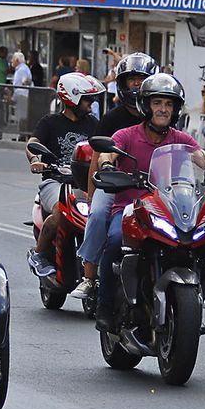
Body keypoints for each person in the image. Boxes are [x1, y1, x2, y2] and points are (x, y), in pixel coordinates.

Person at [93, 73, 205, 329]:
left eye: (168, 104)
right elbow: (108, 152)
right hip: (131, 208)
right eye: (157, 103)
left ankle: (193, 307)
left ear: (176, 109)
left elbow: (201, 156)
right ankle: (105, 305)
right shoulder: (127, 134)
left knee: (197, 244)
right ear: (146, 105)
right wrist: (108, 164)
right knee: (113, 241)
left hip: (167, 207)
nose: (163, 109)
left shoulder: (179, 138)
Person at [73, 52, 156, 287]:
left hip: (151, 186)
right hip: (114, 186)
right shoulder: (111, 119)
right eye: (132, 79)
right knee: (98, 215)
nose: (136, 84)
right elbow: (97, 158)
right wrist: (91, 194)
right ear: (122, 83)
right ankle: (89, 276)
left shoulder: (162, 118)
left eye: (142, 79)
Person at [27, 73, 104, 280]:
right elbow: (32, 143)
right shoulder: (50, 122)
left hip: (87, 183)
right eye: (87, 100)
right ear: (72, 98)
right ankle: (39, 254)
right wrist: (36, 160)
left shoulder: (94, 124)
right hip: (55, 181)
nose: (91, 104)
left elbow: (106, 147)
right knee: (60, 212)